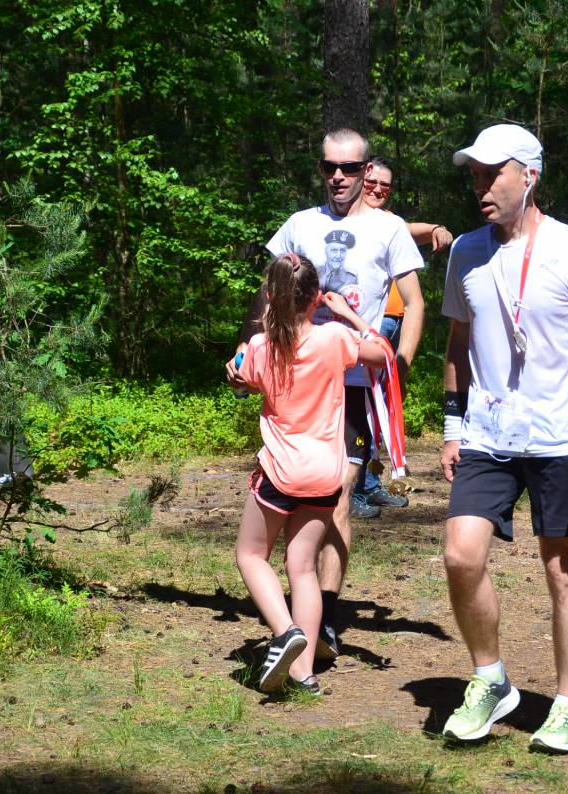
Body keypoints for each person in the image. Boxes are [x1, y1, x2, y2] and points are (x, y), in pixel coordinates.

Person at [438, 124, 568, 753]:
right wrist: (452, 427)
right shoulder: (465, 252)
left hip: (562, 436)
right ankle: (491, 680)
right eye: (474, 175)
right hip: (487, 434)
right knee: (461, 555)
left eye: (492, 174)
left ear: (530, 176)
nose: (481, 186)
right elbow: (458, 343)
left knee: (562, 570)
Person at [228, 129, 425, 660]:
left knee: (339, 491)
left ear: (366, 171)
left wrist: (398, 366)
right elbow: (268, 289)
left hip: (357, 380)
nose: (338, 176)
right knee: (298, 487)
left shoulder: (389, 228)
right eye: (329, 167)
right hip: (299, 379)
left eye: (350, 168)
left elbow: (413, 302)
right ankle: (303, 610)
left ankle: (325, 617)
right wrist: (247, 347)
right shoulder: (300, 224)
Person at [231, 252, 389, 694]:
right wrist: (350, 315)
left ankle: (286, 632)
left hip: (280, 471)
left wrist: (236, 373)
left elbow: (243, 381)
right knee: (302, 569)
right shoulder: (335, 338)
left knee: (251, 556)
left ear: (270, 297)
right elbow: (382, 355)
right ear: (316, 297)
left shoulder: (261, 346)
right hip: (325, 474)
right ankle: (304, 677)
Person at [351, 155, 455, 516]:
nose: (378, 189)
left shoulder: (388, 223)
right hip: (370, 325)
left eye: (386, 185)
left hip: (394, 324)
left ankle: (369, 484)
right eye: (372, 182)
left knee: (383, 406)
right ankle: (352, 491)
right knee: (362, 406)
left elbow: (414, 230)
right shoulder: (348, 223)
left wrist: (438, 228)